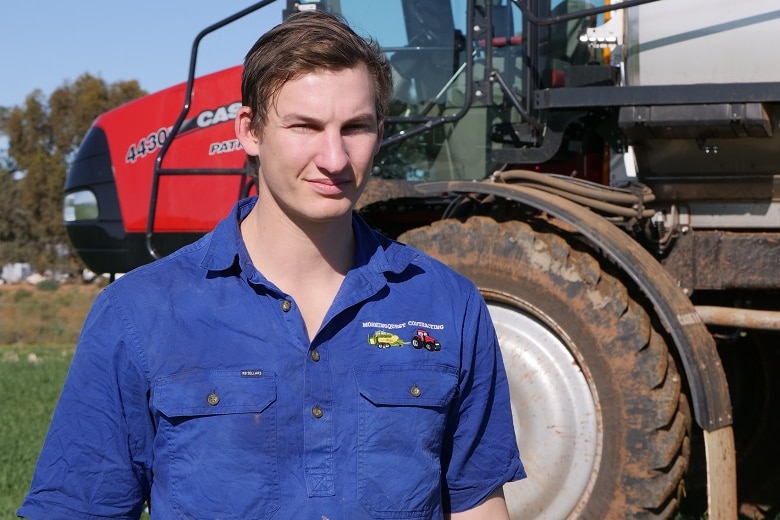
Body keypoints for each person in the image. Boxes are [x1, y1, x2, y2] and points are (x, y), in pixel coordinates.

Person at [19, 9, 525, 519]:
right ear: (249, 131)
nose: (334, 157)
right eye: (305, 126)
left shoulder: (447, 304)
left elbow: (477, 504)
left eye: (355, 127)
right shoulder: (139, 314)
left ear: (380, 130)